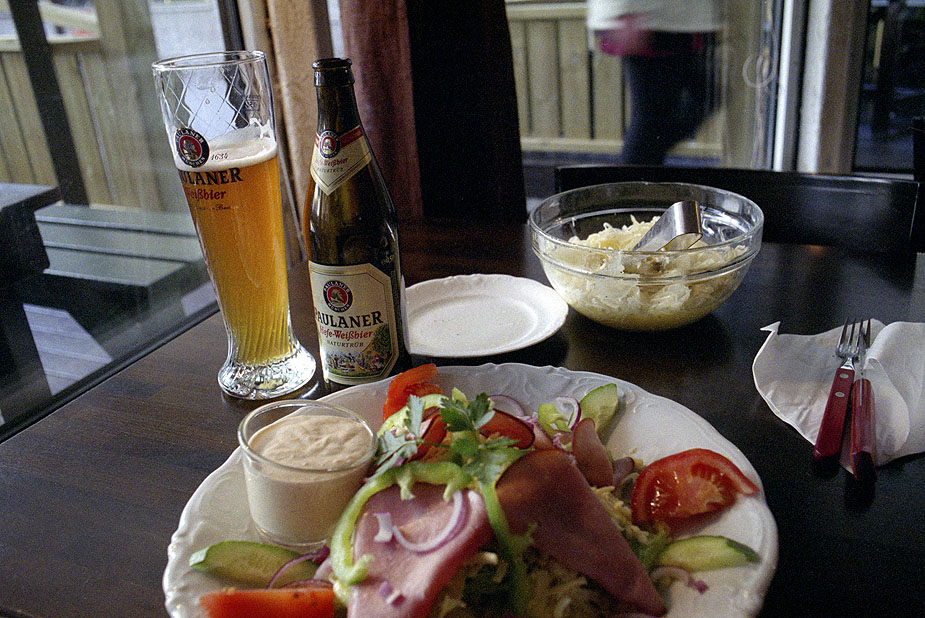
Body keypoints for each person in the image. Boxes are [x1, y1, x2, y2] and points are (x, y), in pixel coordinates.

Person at [587, 0, 725, 165]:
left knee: (703, 100)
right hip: (651, 21)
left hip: (679, 21)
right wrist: (624, 11)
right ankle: (632, 180)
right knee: (650, 123)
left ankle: (639, 168)